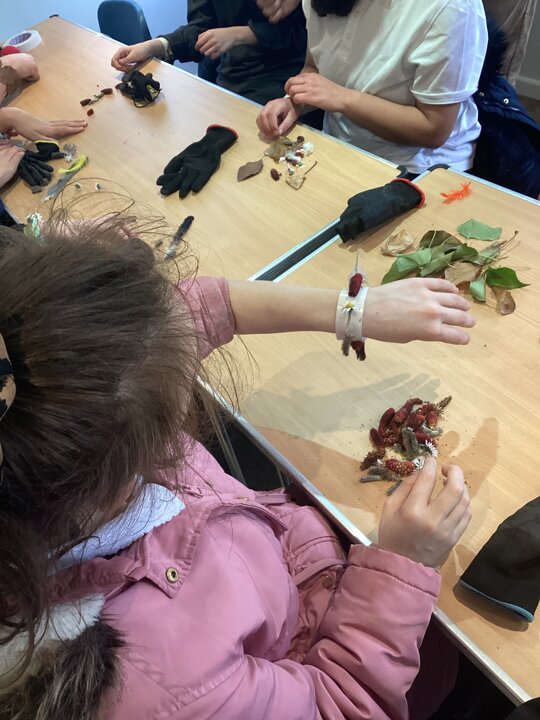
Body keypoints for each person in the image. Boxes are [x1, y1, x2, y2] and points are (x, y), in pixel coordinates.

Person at [0, 215, 474, 719]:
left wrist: (353, 309)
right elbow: (341, 705)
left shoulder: (64, 445)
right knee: (457, 661)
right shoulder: (169, 687)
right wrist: (403, 564)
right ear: (116, 478)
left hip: (291, 554)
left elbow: (193, 310)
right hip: (351, 647)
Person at [257, 0, 489, 176]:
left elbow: (433, 129)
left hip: (418, 169)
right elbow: (314, 66)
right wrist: (294, 101)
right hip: (337, 147)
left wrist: (343, 99)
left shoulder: (449, 8)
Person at [110, 0, 307, 105]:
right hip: (230, 78)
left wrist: (243, 34)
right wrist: (157, 45)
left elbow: (304, 34)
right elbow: (201, 27)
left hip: (281, 76)